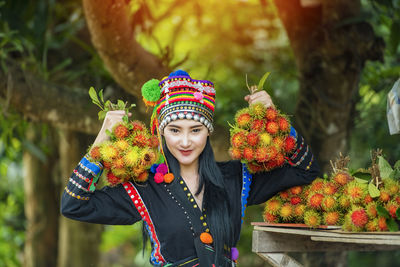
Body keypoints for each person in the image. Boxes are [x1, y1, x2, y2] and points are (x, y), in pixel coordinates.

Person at [61, 70, 320, 267]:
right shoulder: (143, 187)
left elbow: (305, 170)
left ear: (208, 133)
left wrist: (273, 117)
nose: (185, 142)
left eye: (195, 130)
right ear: (161, 133)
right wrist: (101, 141)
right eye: (174, 131)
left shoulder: (236, 178)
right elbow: (73, 204)